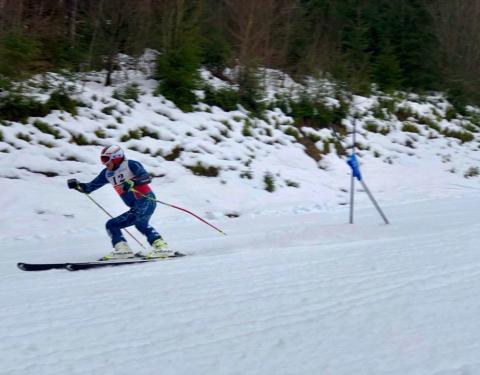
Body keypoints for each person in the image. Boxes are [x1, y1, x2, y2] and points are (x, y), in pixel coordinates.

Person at [67, 145, 172, 260]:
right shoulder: (107, 173)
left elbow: (147, 177)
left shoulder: (130, 165)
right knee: (141, 224)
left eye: (106, 159)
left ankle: (124, 250)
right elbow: (89, 188)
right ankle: (161, 247)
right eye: (102, 160)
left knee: (112, 224)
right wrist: (77, 185)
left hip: (146, 200)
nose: (104, 163)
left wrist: (133, 182)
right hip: (136, 205)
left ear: (116, 158)